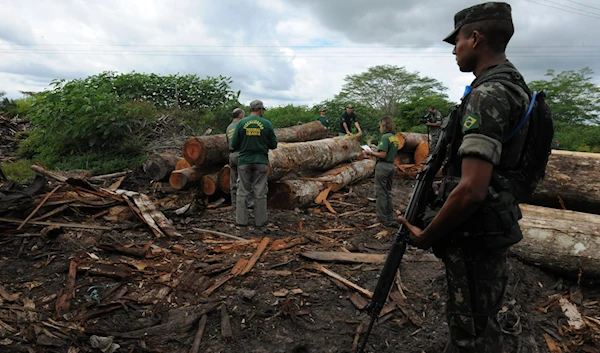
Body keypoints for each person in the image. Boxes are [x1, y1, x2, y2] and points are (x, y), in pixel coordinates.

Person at [398, 3, 530, 352]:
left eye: (456, 41)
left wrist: (428, 235)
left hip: (474, 236)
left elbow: (472, 188)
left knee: (470, 334)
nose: (454, 50)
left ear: (475, 37)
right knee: (480, 322)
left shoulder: (488, 95)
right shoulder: (511, 84)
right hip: (489, 227)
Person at [231, 100, 278, 227]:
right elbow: (274, 145)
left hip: (244, 161)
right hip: (261, 161)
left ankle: (241, 221)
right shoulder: (267, 124)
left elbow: (233, 144)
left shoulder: (241, 123)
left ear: (250, 109)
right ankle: (260, 221)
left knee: (242, 191)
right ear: (260, 110)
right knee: (260, 191)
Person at [364, 117, 399, 227]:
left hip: (383, 166)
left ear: (384, 126)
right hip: (391, 166)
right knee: (387, 192)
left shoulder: (385, 137)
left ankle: (382, 218)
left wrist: (371, 153)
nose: (380, 128)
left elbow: (383, 155)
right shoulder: (394, 138)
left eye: (380, 126)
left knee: (380, 192)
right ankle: (390, 216)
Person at [226, 108, 253, 212]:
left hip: (232, 155)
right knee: (246, 181)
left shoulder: (229, 127)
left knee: (233, 182)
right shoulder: (242, 125)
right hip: (242, 155)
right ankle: (248, 205)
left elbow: (228, 141)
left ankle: (235, 205)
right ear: (240, 115)